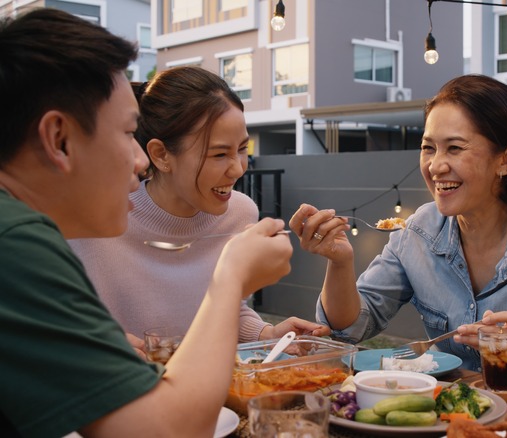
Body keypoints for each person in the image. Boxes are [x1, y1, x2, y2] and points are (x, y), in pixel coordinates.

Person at [0, 8, 293, 437]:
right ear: (59, 139)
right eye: (126, 134)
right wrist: (229, 276)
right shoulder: (18, 245)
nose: (138, 162)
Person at [290, 74, 507, 394]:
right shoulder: (417, 232)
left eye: (455, 148)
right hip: (446, 417)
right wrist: (340, 261)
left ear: (506, 159)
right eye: (428, 147)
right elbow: (350, 329)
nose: (435, 166)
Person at [68, 66, 328, 348]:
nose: (238, 169)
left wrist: (267, 335)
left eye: (242, 149)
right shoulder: (97, 225)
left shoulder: (240, 213)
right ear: (161, 155)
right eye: (219, 154)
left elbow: (222, 309)